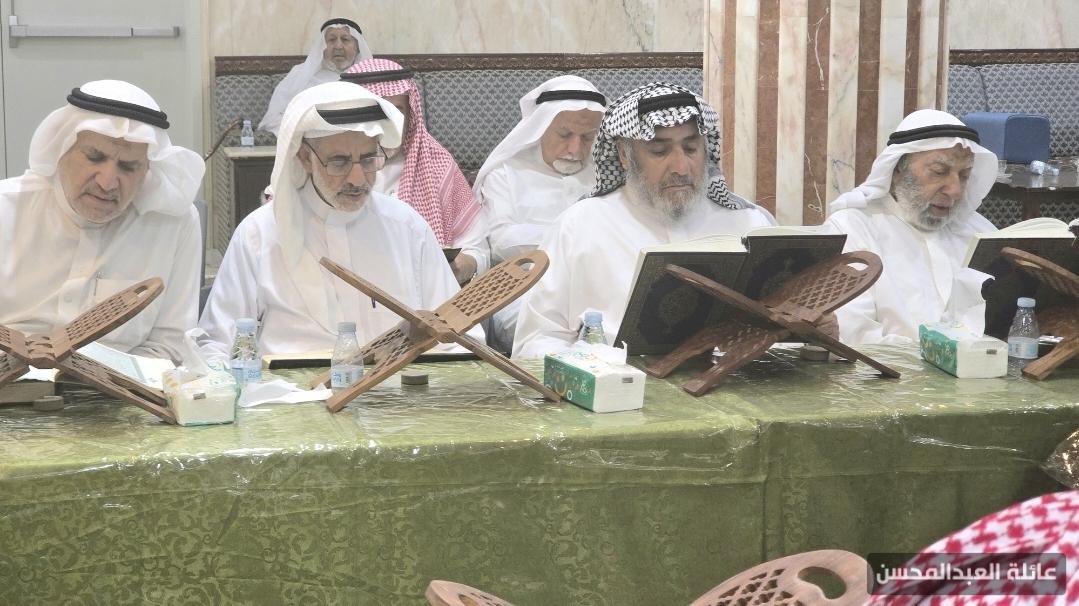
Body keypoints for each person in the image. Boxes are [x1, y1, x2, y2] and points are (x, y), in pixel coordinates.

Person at [199, 82, 477, 358]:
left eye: (368, 160)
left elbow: (458, 335)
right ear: (304, 158)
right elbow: (216, 346)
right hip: (290, 386)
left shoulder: (407, 227)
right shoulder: (259, 233)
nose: (357, 178)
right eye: (339, 162)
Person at [511, 83, 776, 359]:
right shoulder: (580, 226)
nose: (681, 167)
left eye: (691, 149)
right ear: (624, 155)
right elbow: (536, 341)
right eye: (660, 151)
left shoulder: (748, 224)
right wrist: (593, 369)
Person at [0, 80, 205, 363]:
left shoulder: (175, 224)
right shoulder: (6, 208)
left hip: (120, 387)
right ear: (62, 150)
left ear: (148, 169)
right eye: (94, 157)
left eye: (128, 167)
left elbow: (170, 346)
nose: (107, 183)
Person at [823, 109, 998, 345]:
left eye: (964, 175)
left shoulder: (980, 232)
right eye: (939, 172)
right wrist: (940, 357)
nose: (955, 190)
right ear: (897, 169)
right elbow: (854, 336)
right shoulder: (851, 229)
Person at [472, 75, 606, 352]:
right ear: (540, 127)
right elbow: (502, 242)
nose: (575, 149)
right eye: (565, 135)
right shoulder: (505, 173)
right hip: (524, 289)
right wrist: (572, 236)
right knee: (546, 344)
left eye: (587, 137)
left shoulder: (607, 174)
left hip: (596, 284)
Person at [341, 59, 487, 284]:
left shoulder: (437, 164)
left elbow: (478, 250)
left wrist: (460, 268)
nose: (388, 124)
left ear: (410, 114)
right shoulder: (329, 170)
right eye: (377, 113)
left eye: (397, 111)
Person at [257, 18, 373, 135]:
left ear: (358, 48)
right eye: (331, 40)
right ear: (322, 47)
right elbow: (274, 119)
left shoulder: (370, 79)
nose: (338, 46)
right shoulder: (300, 74)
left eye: (345, 40)